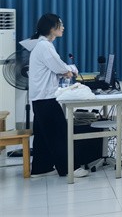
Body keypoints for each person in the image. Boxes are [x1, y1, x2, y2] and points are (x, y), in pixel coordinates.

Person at [22, 14, 89, 178]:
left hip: (40, 98)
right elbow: (59, 67)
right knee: (59, 134)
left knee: (43, 135)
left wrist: (66, 71)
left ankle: (41, 168)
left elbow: (55, 68)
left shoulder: (41, 45)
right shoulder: (45, 46)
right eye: (61, 25)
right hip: (46, 98)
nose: (63, 28)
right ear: (52, 28)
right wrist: (70, 70)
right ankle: (69, 168)